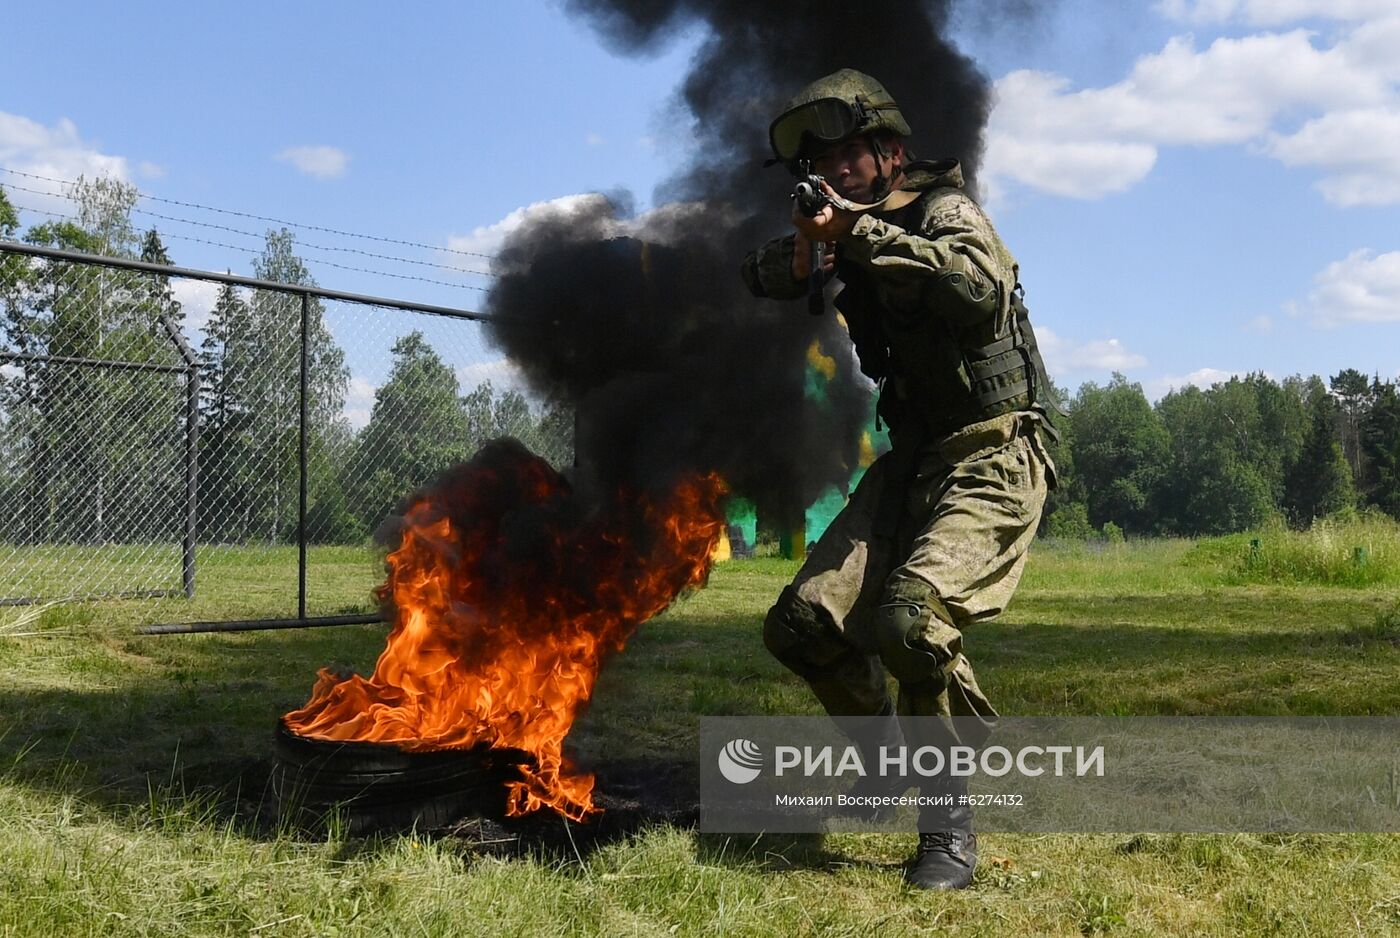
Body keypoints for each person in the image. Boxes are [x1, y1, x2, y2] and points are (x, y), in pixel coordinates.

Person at [741, 69, 1060, 890]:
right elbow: (762, 273)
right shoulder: (845, 225)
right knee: (803, 623)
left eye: (850, 154)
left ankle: (947, 829)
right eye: (825, 164)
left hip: (993, 452)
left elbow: (974, 288)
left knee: (909, 621)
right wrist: (815, 240)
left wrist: (856, 234)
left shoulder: (944, 213)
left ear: (891, 152)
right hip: (913, 458)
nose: (839, 172)